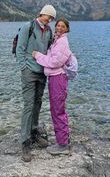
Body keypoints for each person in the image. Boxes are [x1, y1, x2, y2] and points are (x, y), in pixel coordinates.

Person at [16, 4, 56, 162]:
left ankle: (34, 131)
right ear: (43, 14)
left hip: (42, 73)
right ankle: (25, 141)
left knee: (38, 103)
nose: (50, 20)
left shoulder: (49, 31)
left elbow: (49, 50)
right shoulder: (28, 27)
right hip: (29, 72)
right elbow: (20, 49)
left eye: (52, 18)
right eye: (49, 17)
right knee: (28, 105)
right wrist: (24, 68)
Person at [32, 18, 72, 156]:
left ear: (67, 29)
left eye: (63, 26)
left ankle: (62, 145)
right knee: (58, 109)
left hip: (58, 79)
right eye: (58, 25)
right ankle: (65, 139)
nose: (60, 28)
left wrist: (38, 56)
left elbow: (54, 62)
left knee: (58, 111)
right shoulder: (57, 40)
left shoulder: (62, 43)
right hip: (56, 78)